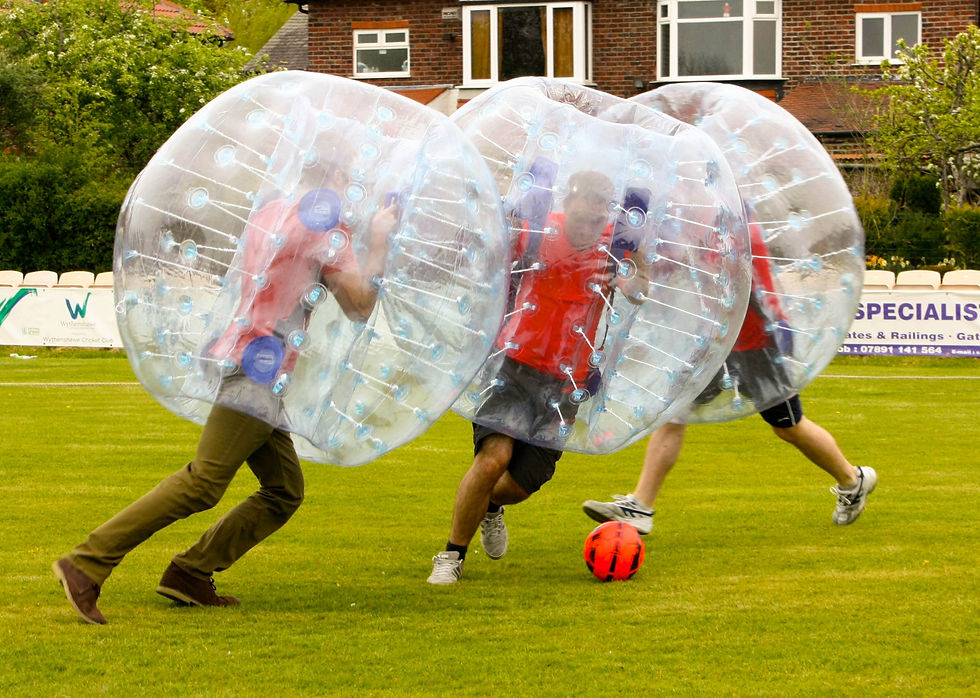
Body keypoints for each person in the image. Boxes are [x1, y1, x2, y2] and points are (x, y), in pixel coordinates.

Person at [53, 167, 397, 624]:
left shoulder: (274, 211)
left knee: (284, 490)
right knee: (203, 481)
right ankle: (86, 564)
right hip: (261, 365)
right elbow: (359, 304)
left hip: (249, 356)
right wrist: (379, 241)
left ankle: (190, 572)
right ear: (334, 171)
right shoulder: (322, 226)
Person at [583, 223, 876, 533]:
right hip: (713, 342)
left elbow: (754, 284)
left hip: (756, 343)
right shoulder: (692, 223)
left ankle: (852, 480)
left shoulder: (739, 227)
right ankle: (640, 506)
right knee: (673, 415)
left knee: (788, 426)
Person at [427, 170, 645, 585]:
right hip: (515, 364)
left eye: (603, 206)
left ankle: (491, 507)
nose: (594, 215)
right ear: (568, 200)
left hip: (567, 382)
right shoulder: (538, 230)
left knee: (518, 486)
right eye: (587, 203)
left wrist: (627, 277)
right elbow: (489, 260)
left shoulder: (617, 247)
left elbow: (640, 287)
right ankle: (452, 554)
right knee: (493, 459)